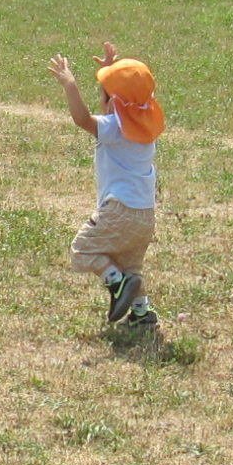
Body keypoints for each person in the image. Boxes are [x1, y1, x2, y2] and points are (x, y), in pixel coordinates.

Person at [47, 45, 164, 330]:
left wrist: (70, 85)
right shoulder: (146, 129)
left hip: (119, 210)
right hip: (145, 215)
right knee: (131, 265)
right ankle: (142, 315)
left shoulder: (114, 127)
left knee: (84, 250)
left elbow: (82, 120)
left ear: (113, 104)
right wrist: (113, 68)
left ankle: (118, 283)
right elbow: (130, 97)